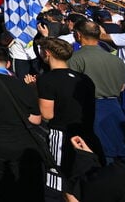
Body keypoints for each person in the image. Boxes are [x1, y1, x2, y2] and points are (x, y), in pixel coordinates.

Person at [0, 45, 45, 201]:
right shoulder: (22, 85)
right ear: (9, 64)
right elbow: (36, 119)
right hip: (24, 143)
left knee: (1, 190)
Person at [36, 36, 100, 194]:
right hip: (85, 132)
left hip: (61, 135)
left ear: (47, 53)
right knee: (83, 178)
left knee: (60, 181)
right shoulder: (84, 79)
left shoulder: (47, 80)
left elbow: (47, 114)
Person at [68, 19, 125, 161]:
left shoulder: (75, 59)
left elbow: (70, 88)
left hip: (90, 110)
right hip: (115, 108)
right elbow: (122, 87)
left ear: (78, 35)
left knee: (95, 153)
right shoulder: (117, 60)